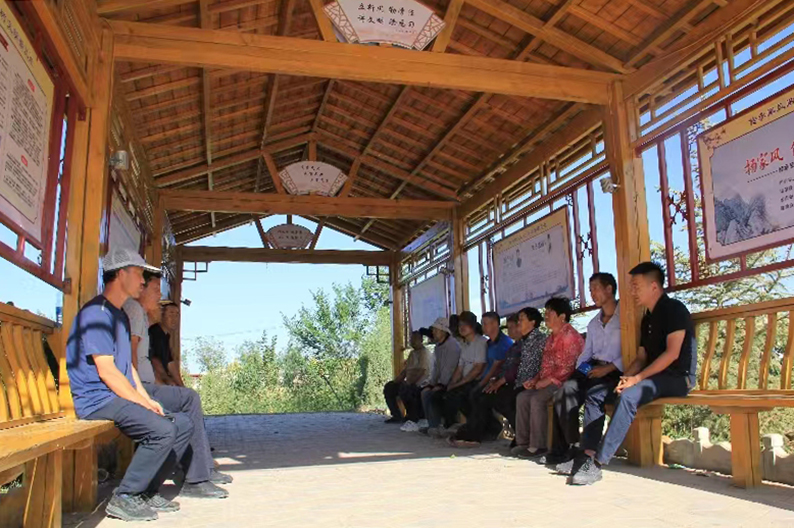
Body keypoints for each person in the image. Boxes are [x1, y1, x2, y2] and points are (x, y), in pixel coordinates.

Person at [66, 247, 193, 522]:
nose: (143, 282)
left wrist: (146, 399)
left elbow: (128, 368)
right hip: (97, 400)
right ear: (121, 274)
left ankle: (146, 491)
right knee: (162, 429)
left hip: (115, 397)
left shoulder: (120, 315)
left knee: (182, 424)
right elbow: (107, 372)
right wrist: (140, 402)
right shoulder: (97, 313)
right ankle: (125, 497)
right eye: (138, 273)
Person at [568, 262, 696, 485]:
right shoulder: (648, 318)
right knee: (600, 393)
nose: (632, 291)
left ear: (653, 286)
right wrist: (625, 378)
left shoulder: (674, 310)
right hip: (653, 377)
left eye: (636, 286)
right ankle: (586, 454)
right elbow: (641, 357)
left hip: (678, 378)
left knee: (629, 396)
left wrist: (636, 379)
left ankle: (597, 464)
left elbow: (672, 354)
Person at [122, 271, 231, 498]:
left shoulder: (143, 317)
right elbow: (132, 358)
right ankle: (197, 478)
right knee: (188, 401)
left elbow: (167, 365)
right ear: (141, 289)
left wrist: (177, 386)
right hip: (138, 388)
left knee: (188, 401)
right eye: (155, 289)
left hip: (145, 386)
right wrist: (140, 393)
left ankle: (203, 471)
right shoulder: (134, 311)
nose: (159, 297)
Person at [547, 273, 622, 467]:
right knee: (564, 392)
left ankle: (587, 452)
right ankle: (569, 447)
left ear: (609, 289)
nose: (592, 294)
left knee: (594, 394)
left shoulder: (625, 317)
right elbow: (586, 353)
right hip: (593, 367)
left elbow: (632, 351)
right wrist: (583, 370)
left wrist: (608, 368)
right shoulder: (593, 323)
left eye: (595, 288)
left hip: (615, 371)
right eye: (590, 290)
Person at [513, 297, 584, 459]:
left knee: (537, 399)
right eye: (546, 312)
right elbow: (545, 366)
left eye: (550, 312)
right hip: (547, 381)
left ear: (562, 316)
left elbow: (568, 368)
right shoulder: (551, 337)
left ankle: (539, 446)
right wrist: (535, 379)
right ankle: (523, 443)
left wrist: (547, 381)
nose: (546, 315)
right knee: (522, 397)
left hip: (564, 383)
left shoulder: (570, 337)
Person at [449, 312, 521, 445]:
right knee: (465, 395)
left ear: (495, 324)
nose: (482, 326)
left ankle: (476, 433)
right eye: (482, 323)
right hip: (491, 381)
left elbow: (495, 369)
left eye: (485, 323)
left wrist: (480, 385)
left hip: (501, 382)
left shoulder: (503, 343)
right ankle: (483, 428)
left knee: (479, 396)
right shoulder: (490, 343)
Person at [429, 311, 487, 438]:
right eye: (460, 325)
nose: (462, 328)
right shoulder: (464, 345)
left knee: (455, 395)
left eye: (465, 325)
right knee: (440, 394)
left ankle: (465, 426)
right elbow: (459, 369)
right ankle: (447, 425)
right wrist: (451, 384)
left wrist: (458, 384)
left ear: (473, 326)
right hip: (466, 381)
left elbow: (478, 369)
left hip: (478, 381)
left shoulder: (481, 342)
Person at [420, 317, 461, 434]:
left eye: (435, 330)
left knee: (434, 394)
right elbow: (437, 368)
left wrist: (441, 385)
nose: (433, 332)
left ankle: (439, 425)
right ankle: (432, 425)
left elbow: (450, 369)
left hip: (453, 381)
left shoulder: (453, 346)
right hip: (443, 381)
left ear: (443, 331)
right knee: (425, 392)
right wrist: (431, 383)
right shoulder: (438, 347)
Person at [384, 331, 431, 424]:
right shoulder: (412, 353)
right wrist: (395, 381)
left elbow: (422, 371)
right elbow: (405, 370)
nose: (412, 341)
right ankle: (397, 415)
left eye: (414, 339)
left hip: (421, 384)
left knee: (406, 389)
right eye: (411, 339)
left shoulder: (424, 353)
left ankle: (412, 416)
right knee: (390, 387)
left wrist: (409, 382)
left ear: (421, 340)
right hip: (409, 382)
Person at [149, 301, 185, 386]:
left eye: (177, 315)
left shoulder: (165, 336)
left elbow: (170, 363)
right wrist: (165, 379)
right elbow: (154, 359)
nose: (174, 318)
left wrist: (182, 386)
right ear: (162, 315)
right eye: (171, 314)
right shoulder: (155, 332)